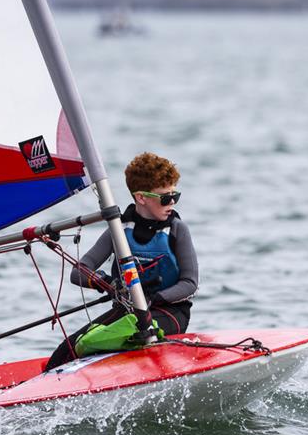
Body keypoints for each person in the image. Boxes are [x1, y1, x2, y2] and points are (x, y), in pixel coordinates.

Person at [44, 152, 198, 371]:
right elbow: (78, 272)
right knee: (68, 348)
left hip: (169, 314)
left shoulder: (177, 230)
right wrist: (108, 283)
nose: (171, 202)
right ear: (141, 197)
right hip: (125, 312)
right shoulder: (119, 230)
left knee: (130, 332)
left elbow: (190, 283)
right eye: (165, 197)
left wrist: (153, 298)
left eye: (175, 195)